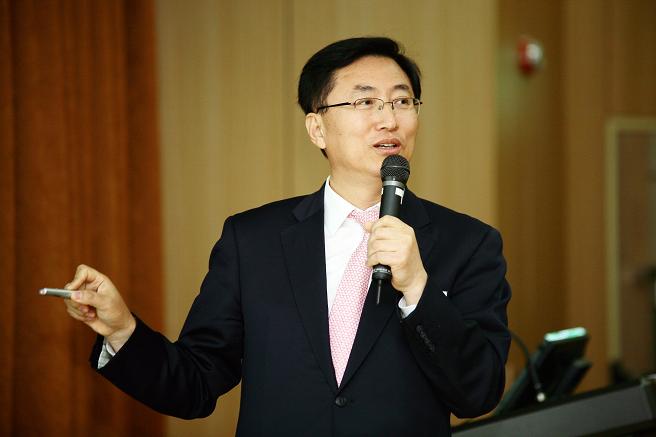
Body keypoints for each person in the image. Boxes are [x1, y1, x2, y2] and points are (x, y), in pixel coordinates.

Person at [64, 37, 511, 436]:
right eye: (365, 102)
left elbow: (478, 393)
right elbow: (195, 384)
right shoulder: (251, 241)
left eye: (402, 101)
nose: (388, 120)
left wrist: (417, 287)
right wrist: (122, 329)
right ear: (317, 128)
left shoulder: (469, 243)